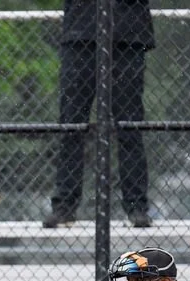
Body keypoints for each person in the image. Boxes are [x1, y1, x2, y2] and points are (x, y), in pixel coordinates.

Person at [44, 0, 155, 229]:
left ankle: (136, 206)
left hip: (127, 32)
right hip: (81, 31)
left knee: (129, 125)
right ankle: (64, 205)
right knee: (71, 125)